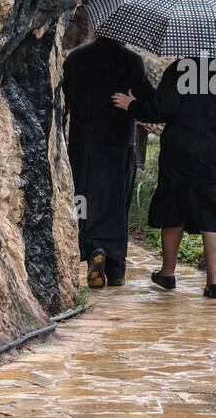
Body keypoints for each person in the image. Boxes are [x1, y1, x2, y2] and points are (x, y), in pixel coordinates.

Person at [112, 55, 216, 299]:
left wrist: (132, 104)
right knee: (212, 213)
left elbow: (161, 110)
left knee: (173, 209)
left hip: (179, 152)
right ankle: (214, 283)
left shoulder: (178, 70)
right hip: (215, 153)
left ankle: (167, 273)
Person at [63, 35, 155, 288]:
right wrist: (133, 104)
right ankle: (115, 269)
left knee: (84, 201)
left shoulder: (76, 57)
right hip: (119, 145)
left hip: (83, 144)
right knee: (116, 206)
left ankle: (92, 248)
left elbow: (65, 99)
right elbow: (151, 102)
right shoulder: (132, 62)